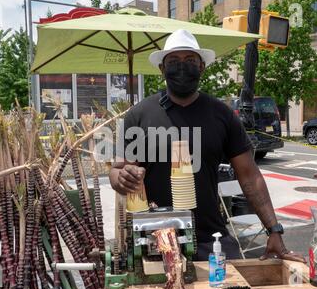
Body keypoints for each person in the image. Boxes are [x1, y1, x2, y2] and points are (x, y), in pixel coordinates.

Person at [109, 29, 306, 263]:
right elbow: (117, 171)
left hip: (209, 239)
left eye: (190, 60)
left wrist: (274, 229)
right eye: (173, 61)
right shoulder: (139, 115)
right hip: (154, 241)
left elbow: (249, 176)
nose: (182, 67)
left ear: (202, 67)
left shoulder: (222, 114)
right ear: (162, 68)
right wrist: (120, 177)